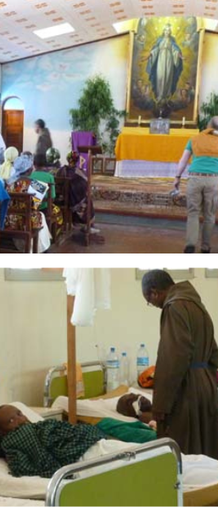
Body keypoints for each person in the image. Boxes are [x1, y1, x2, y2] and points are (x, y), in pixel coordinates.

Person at [141, 270, 218, 458]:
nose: (154, 305)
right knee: (207, 451)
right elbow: (213, 351)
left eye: (149, 301)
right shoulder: (198, 306)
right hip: (207, 385)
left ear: (154, 292)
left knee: (185, 454)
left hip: (187, 390)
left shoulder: (173, 307)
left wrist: (160, 406)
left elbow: (173, 359)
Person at [173, 117, 218, 253]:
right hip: (214, 180)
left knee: (193, 213)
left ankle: (190, 245)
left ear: (207, 126)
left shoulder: (194, 139)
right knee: (209, 215)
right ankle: (205, 247)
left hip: (195, 178)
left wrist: (177, 177)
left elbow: (183, 160)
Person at [147, 24, 184, 102]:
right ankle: (159, 95)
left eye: (168, 30)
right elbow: (156, 49)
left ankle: (166, 96)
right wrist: (150, 54)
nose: (167, 32)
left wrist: (180, 56)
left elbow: (175, 50)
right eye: (165, 30)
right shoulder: (160, 40)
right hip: (160, 60)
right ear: (163, 31)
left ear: (170, 32)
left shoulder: (172, 40)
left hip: (169, 61)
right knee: (160, 76)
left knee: (167, 77)